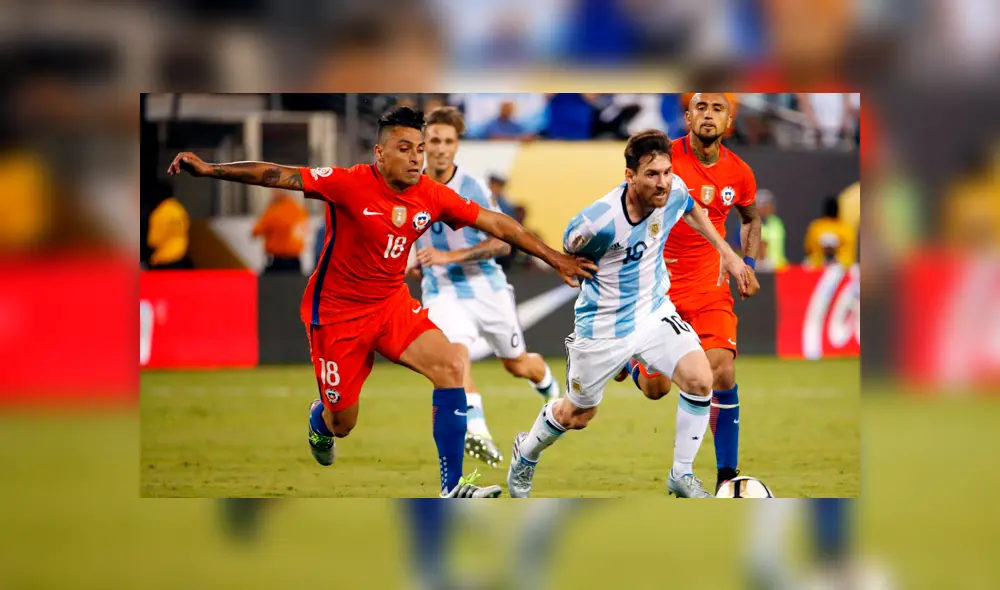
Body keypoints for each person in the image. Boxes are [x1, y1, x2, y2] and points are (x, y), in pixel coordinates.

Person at [167, 106, 596, 498]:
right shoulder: (348, 183)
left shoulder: (430, 193)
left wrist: (554, 257)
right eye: (405, 148)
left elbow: (496, 223)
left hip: (391, 305)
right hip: (337, 315)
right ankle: (321, 420)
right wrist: (209, 170)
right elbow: (277, 174)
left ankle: (452, 487)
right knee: (343, 423)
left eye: (421, 150)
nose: (416, 158)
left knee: (451, 366)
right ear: (379, 153)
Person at [505, 130, 751, 498]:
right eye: (652, 174)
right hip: (603, 327)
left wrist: (726, 253)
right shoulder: (597, 224)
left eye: (667, 172)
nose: (663, 182)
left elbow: (689, 207)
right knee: (578, 415)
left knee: (701, 379)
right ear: (629, 176)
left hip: (653, 311)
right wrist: (565, 265)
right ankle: (526, 453)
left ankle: (680, 474)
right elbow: (568, 248)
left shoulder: (674, 191)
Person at [617, 93, 762, 494]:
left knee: (722, 370)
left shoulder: (740, 173)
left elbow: (751, 218)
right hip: (658, 290)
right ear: (687, 116)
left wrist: (745, 265)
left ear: (729, 120)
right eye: (701, 107)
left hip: (709, 289)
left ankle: (726, 478)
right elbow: (627, 207)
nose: (709, 115)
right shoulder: (663, 162)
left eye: (717, 108)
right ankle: (629, 360)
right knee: (655, 389)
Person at [413, 107, 561, 469]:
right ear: (423, 144)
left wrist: (451, 256)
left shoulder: (473, 188)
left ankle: (552, 393)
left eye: (448, 141)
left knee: (518, 365)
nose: (441, 149)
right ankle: (477, 432)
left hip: (486, 287)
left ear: (457, 145)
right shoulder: (411, 185)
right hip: (442, 290)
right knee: (453, 358)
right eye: (434, 141)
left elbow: (502, 245)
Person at [252, 189, 308, 274]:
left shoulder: (274, 210)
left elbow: (256, 231)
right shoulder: (298, 209)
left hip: (278, 262)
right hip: (295, 262)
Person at [804, 196, 854, 268]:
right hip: (822, 267)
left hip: (839, 268)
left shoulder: (816, 227)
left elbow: (808, 248)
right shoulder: (846, 229)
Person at [757, 189, 788, 271]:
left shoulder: (777, 222)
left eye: (767, 204)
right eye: (762, 206)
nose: (765, 208)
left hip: (780, 266)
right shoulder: (752, 224)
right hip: (764, 268)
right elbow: (761, 246)